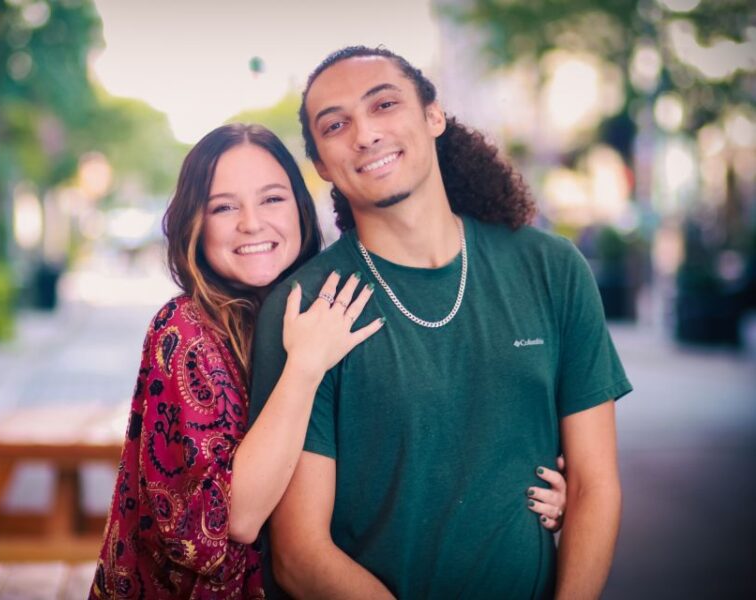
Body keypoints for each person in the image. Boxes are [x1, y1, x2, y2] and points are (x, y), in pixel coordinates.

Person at [90, 123, 568, 599]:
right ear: (196, 223)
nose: (251, 222)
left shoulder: (330, 302)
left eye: (272, 199)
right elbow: (235, 519)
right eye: (223, 206)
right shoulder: (185, 330)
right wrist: (304, 367)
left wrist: (520, 487)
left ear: (301, 208)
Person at [248, 47, 632, 599]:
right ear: (323, 167)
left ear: (433, 115)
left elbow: (595, 485)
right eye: (336, 125)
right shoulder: (307, 307)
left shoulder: (551, 268)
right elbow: (298, 554)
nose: (365, 133)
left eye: (384, 104)